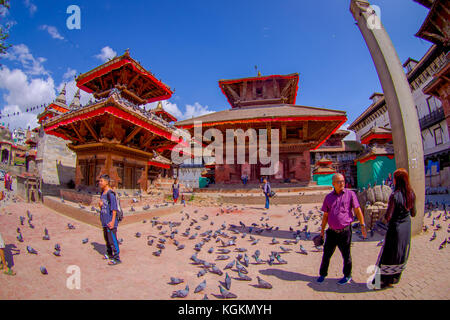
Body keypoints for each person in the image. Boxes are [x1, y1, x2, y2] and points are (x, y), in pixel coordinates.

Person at [317, 173, 367, 285]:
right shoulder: (328, 197)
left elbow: (358, 210)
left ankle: (347, 275)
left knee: (346, 255)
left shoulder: (350, 194)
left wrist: (363, 225)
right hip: (331, 232)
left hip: (345, 231)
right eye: (339, 182)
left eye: (343, 181)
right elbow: (325, 215)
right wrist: (322, 231)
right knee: (326, 254)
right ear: (333, 184)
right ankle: (322, 274)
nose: (342, 183)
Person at [373, 168, 416, 289]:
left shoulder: (394, 195)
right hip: (406, 227)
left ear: (397, 180)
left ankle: (381, 281)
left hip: (395, 228)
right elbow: (414, 213)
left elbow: (388, 216)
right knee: (399, 253)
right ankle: (394, 279)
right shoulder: (411, 194)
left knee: (389, 254)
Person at [98, 174, 121, 266]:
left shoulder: (110, 194)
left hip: (110, 221)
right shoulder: (102, 193)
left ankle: (117, 257)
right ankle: (109, 253)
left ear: (106, 182)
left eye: (101, 181)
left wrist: (112, 221)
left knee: (113, 240)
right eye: (99, 181)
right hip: (104, 220)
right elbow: (103, 206)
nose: (100, 183)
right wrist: (100, 205)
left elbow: (114, 209)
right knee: (106, 239)